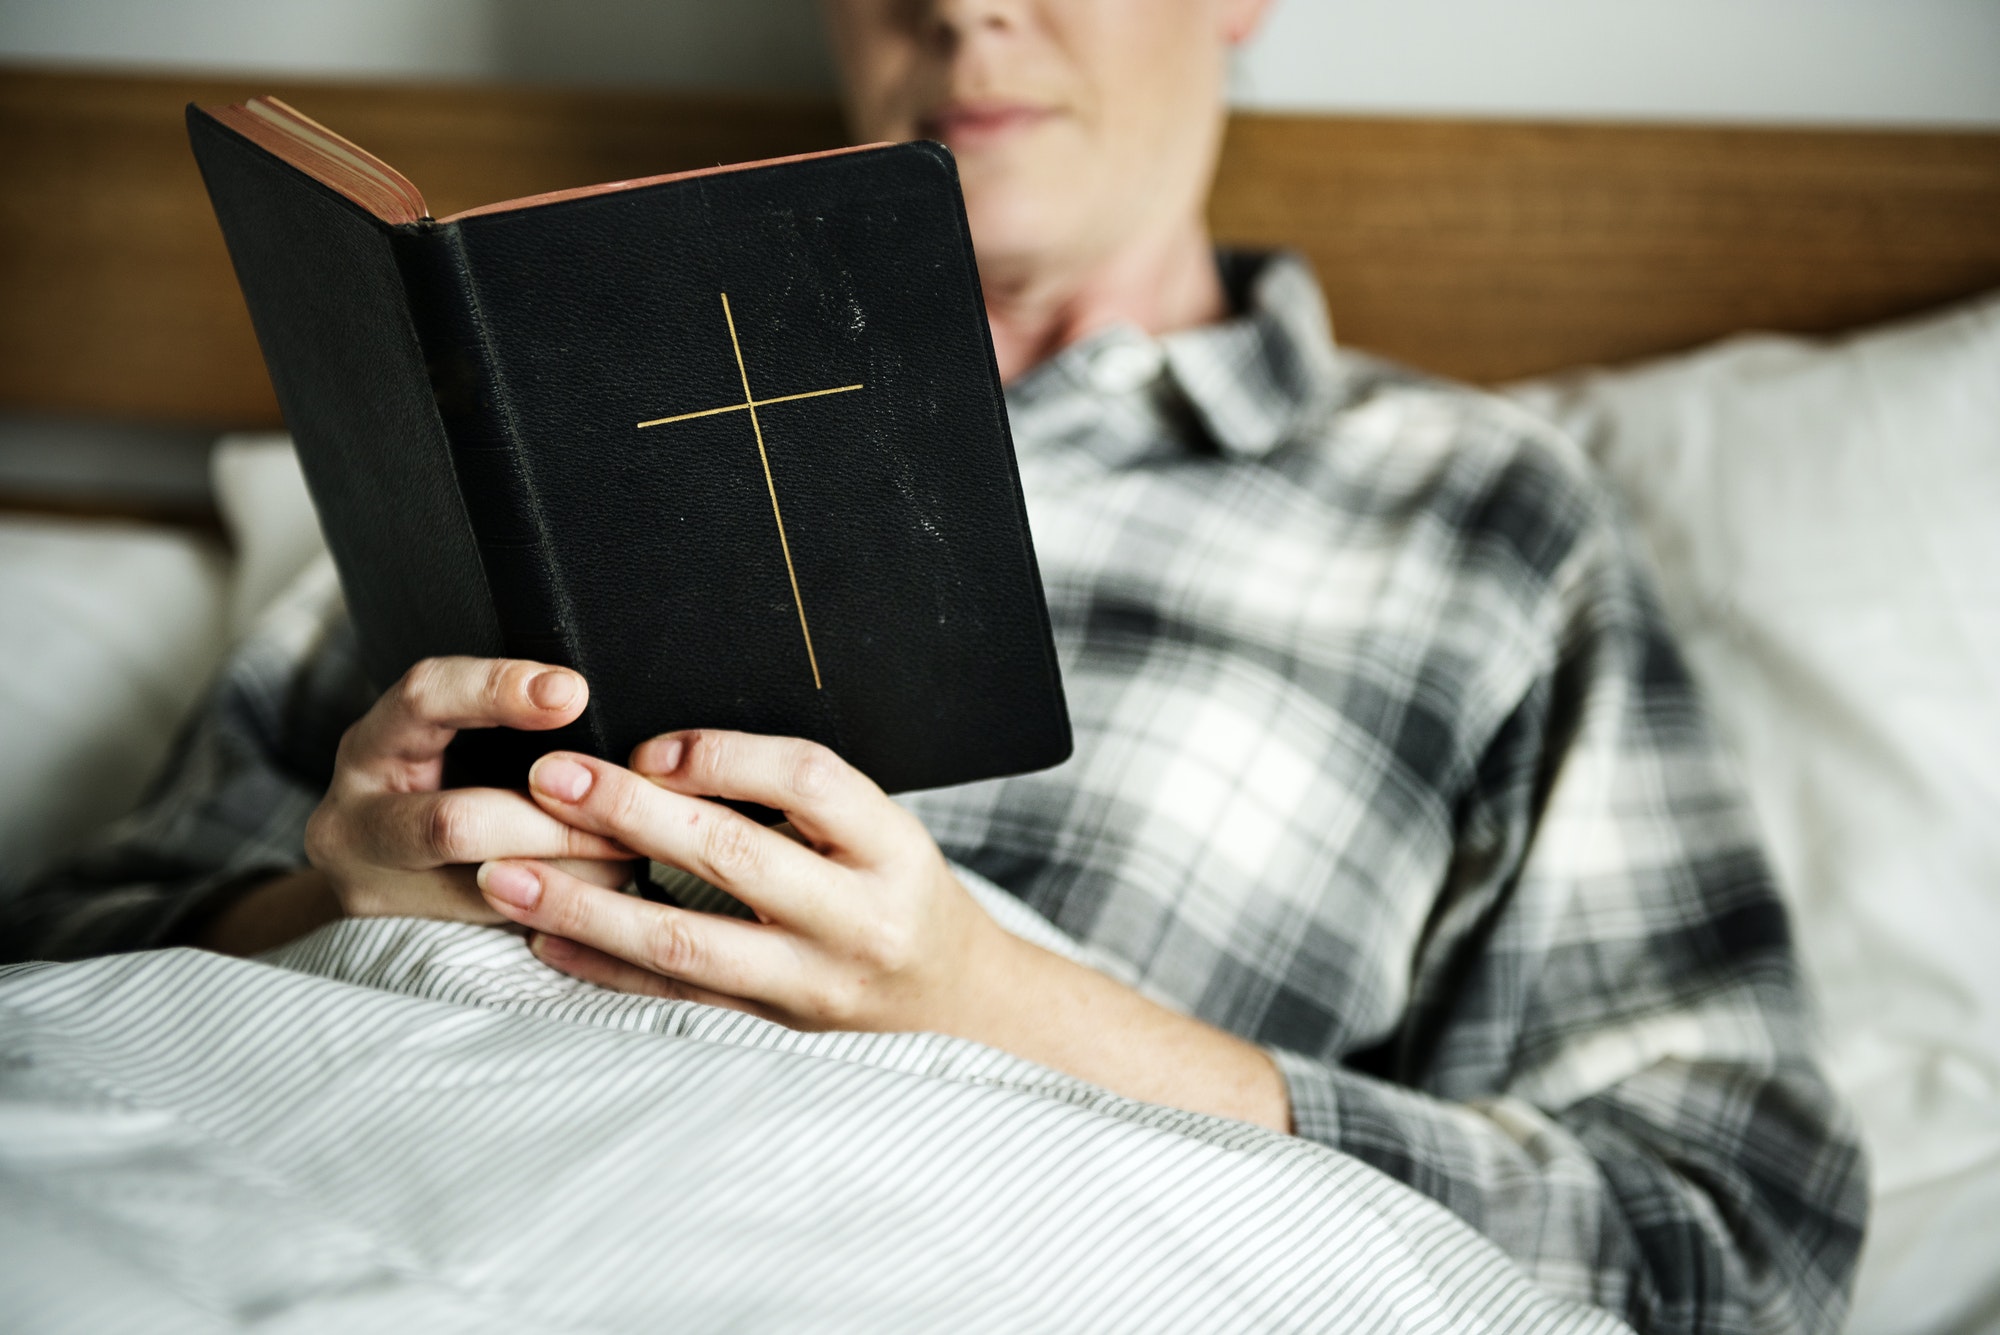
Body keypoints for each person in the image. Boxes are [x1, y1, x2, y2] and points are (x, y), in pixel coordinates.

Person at [7, 1, 1865, 1330]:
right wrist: (326, 887)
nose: (969, 14)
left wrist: (998, 1003)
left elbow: (1729, 1233)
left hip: (933, 1227)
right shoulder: (529, 416)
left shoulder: (1470, 512)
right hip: (330, 1117)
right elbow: (78, 934)